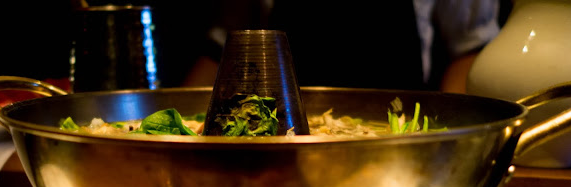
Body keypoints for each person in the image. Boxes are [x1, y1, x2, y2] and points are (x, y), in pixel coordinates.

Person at [183, 0, 504, 94]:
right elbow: (224, 47)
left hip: (398, 143)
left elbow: (469, 48)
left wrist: (449, 144)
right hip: (279, 145)